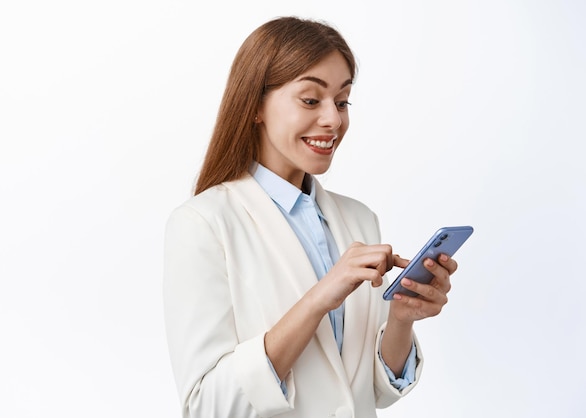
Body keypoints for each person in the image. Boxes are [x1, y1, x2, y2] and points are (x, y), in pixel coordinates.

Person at [163, 16, 458, 418]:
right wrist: (320, 296)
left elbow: (375, 390)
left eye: (342, 101)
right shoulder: (203, 224)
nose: (334, 120)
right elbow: (208, 405)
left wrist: (403, 319)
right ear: (255, 106)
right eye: (310, 100)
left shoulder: (359, 220)